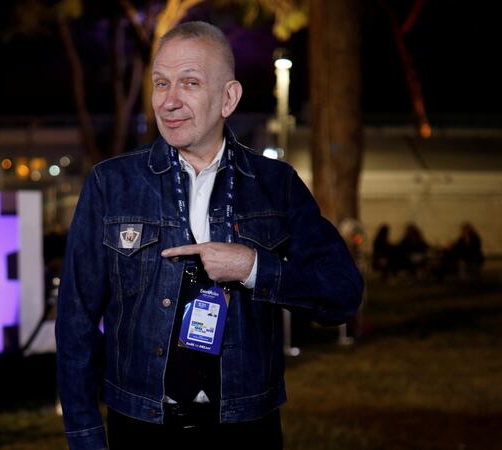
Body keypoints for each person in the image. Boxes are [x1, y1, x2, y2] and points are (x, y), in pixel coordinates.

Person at [56, 21, 363, 450]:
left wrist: (254, 268)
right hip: (140, 425)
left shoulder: (276, 184)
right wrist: (86, 438)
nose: (169, 101)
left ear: (228, 97)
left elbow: (343, 294)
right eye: (161, 83)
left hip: (244, 427)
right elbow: (76, 322)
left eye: (191, 83)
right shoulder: (112, 184)